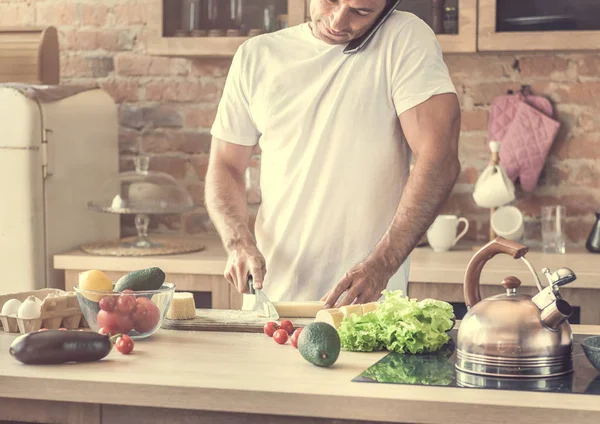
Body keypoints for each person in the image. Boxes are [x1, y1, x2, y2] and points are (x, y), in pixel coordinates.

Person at [205, 0, 461, 311]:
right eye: (330, 1)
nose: (339, 21)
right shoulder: (256, 56)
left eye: (361, 11)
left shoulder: (404, 38)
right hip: (271, 301)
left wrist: (383, 264)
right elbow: (226, 165)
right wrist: (238, 243)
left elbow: (439, 159)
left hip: (365, 304)